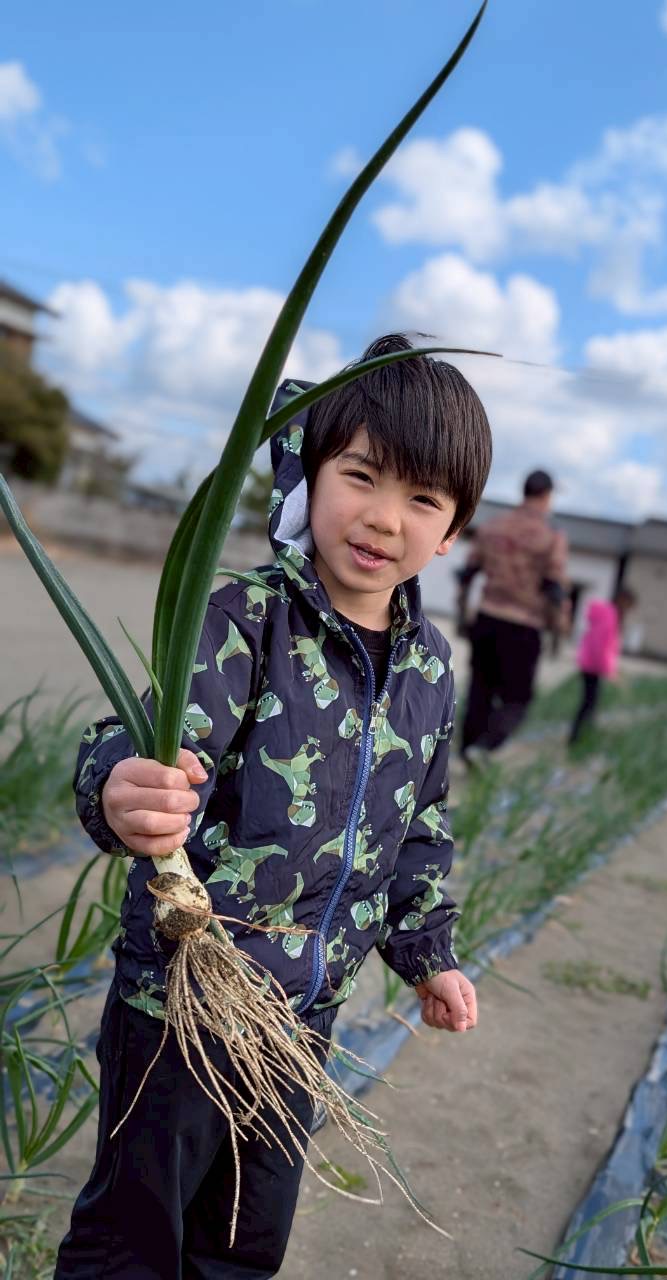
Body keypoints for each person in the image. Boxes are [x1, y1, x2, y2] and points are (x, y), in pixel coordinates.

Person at [54, 334, 493, 1280]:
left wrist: (428, 953)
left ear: (453, 531)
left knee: (245, 1243)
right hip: (182, 1004)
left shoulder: (427, 669)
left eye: (422, 498)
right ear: (310, 476)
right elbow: (148, 736)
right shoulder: (248, 616)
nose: (383, 517)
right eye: (362, 475)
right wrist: (121, 784)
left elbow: (419, 829)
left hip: (303, 1018)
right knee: (132, 1238)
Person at [457, 468, 568, 762]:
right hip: (523, 626)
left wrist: (462, 615)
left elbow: (468, 574)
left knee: (480, 688)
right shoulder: (551, 536)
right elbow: (554, 586)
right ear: (546, 496)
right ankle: (484, 746)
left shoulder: (493, 527)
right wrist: (558, 630)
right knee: (517, 699)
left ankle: (466, 748)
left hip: (488, 617)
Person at [568, 587, 637, 746]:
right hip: (593, 664)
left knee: (590, 702)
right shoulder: (610, 616)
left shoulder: (607, 614)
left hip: (591, 663)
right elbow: (602, 646)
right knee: (589, 702)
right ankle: (577, 738)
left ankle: (582, 735)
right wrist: (608, 669)